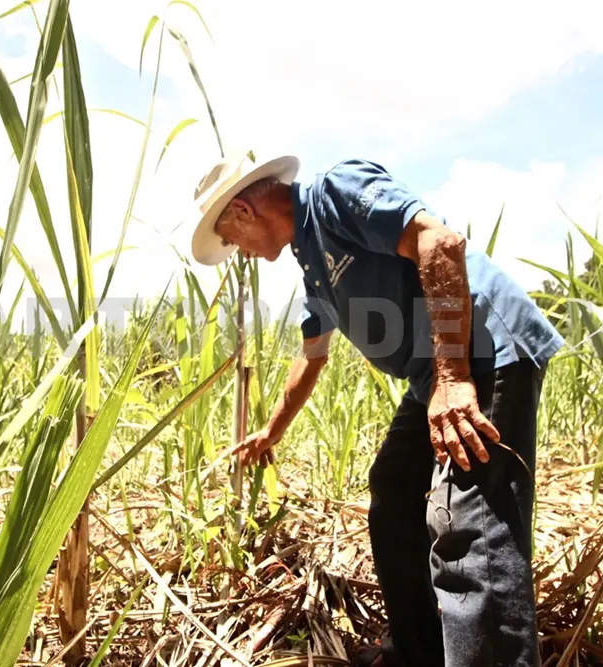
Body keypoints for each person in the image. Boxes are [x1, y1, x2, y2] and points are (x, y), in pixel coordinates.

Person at [186, 152, 564, 667]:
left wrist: (454, 379)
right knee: (394, 490)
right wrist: (270, 433)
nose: (239, 252)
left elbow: (438, 242)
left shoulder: (336, 194)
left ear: (245, 211)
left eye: (231, 239)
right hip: (433, 377)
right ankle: (416, 653)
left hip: (483, 353)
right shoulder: (313, 267)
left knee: (469, 524)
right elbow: (311, 359)